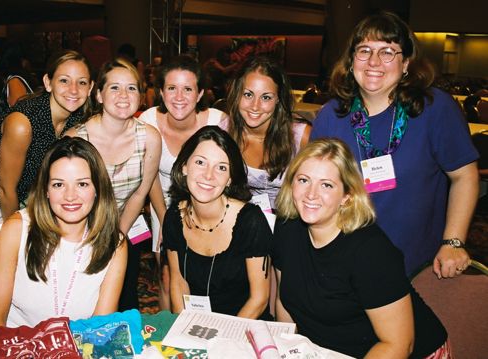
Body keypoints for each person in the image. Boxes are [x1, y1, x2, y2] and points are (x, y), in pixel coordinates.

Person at [310, 11, 479, 277]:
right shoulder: (332, 115)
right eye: (364, 50)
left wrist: (453, 241)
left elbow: (464, 176)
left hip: (412, 262)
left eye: (388, 51)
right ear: (352, 59)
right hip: (343, 259)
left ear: (406, 63)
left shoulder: (433, 109)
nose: (374, 61)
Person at [273, 138, 449, 358]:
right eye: (303, 180)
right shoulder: (286, 228)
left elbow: (399, 345)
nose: (311, 194)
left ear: (347, 196)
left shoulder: (371, 252)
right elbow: (285, 301)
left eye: (326, 185)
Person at [0, 49, 93, 253]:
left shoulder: (76, 118)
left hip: (23, 194)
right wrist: (16, 235)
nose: (73, 89)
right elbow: (5, 189)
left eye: (81, 82)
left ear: (90, 88)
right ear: (48, 82)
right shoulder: (23, 123)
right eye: (64, 80)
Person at [0, 137, 127, 328]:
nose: (70, 196)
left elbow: (99, 330)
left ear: (97, 189)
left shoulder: (114, 244)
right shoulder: (17, 230)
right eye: (58, 184)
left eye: (82, 184)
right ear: (45, 190)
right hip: (17, 349)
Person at [65, 59, 161, 311]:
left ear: (141, 96)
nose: (123, 96)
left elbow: (141, 192)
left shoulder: (150, 137)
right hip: (78, 229)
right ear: (98, 94)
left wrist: (117, 237)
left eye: (131, 88)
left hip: (123, 226)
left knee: (124, 297)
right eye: (114, 88)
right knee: (80, 301)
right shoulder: (76, 139)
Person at [139, 55, 229, 310]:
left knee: (200, 273)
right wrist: (166, 220)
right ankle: (170, 328)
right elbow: (151, 176)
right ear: (160, 92)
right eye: (171, 88)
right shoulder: (148, 121)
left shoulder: (219, 122)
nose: (179, 97)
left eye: (187, 89)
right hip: (163, 202)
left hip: (205, 202)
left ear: (200, 93)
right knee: (166, 275)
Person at [164, 126, 272, 319]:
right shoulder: (174, 216)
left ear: (230, 178)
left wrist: (224, 340)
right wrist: (184, 330)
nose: (208, 175)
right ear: (184, 166)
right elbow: (178, 282)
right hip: (196, 325)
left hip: (243, 326)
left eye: (221, 167)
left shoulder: (251, 221)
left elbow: (259, 298)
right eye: (200, 162)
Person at [226, 56, 310, 211]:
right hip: (238, 223)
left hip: (287, 223)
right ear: (237, 93)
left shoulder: (300, 137)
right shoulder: (224, 132)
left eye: (266, 97)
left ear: (278, 99)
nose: (255, 106)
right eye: (248, 94)